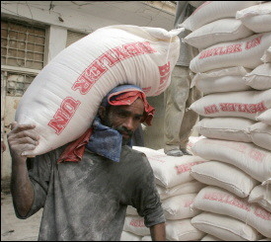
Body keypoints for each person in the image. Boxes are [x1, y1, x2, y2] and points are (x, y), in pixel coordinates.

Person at [7, 84, 166, 241]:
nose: (130, 125)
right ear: (103, 112)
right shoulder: (58, 151)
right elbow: (24, 209)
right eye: (122, 114)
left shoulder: (134, 164)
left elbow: (155, 215)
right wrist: (18, 161)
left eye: (137, 118)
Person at [164, 1, 202, 157]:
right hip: (181, 58)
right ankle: (171, 144)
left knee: (193, 106)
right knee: (177, 102)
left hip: (200, 62)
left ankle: (182, 143)